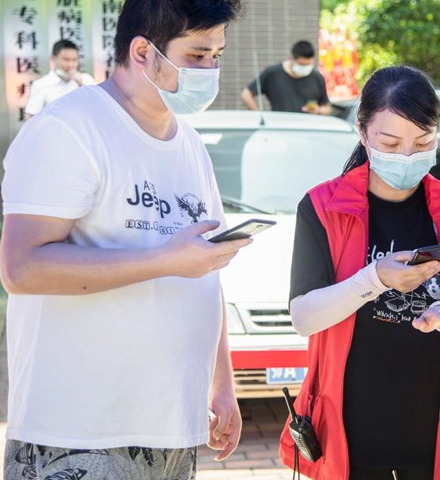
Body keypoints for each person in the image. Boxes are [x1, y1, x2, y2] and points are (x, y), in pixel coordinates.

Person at [0, 0, 250, 478]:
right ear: (142, 51)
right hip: (79, 434)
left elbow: (205, 272)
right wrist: (163, 259)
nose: (210, 70)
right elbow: (21, 268)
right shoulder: (68, 129)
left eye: (217, 55)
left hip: (173, 428)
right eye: (197, 55)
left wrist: (222, 383)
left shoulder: (190, 144)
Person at [280, 65, 440, 480]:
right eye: (390, 143)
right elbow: (305, 317)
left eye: (423, 142)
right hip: (349, 421)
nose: (407, 156)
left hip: (437, 421)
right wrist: (374, 278)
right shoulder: (323, 209)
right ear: (363, 133)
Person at [240, 40, 331, 114]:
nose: (305, 68)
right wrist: (259, 116)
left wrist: (318, 110)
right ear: (292, 58)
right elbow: (246, 94)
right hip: (281, 128)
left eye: (308, 65)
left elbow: (326, 107)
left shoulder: (316, 77)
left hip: (307, 129)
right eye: (301, 65)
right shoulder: (273, 73)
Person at [23, 39, 96, 119]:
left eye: (74, 60)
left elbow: (98, 106)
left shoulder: (86, 79)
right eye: (66, 60)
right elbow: (31, 116)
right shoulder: (41, 85)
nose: (70, 65)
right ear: (53, 59)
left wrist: (80, 83)